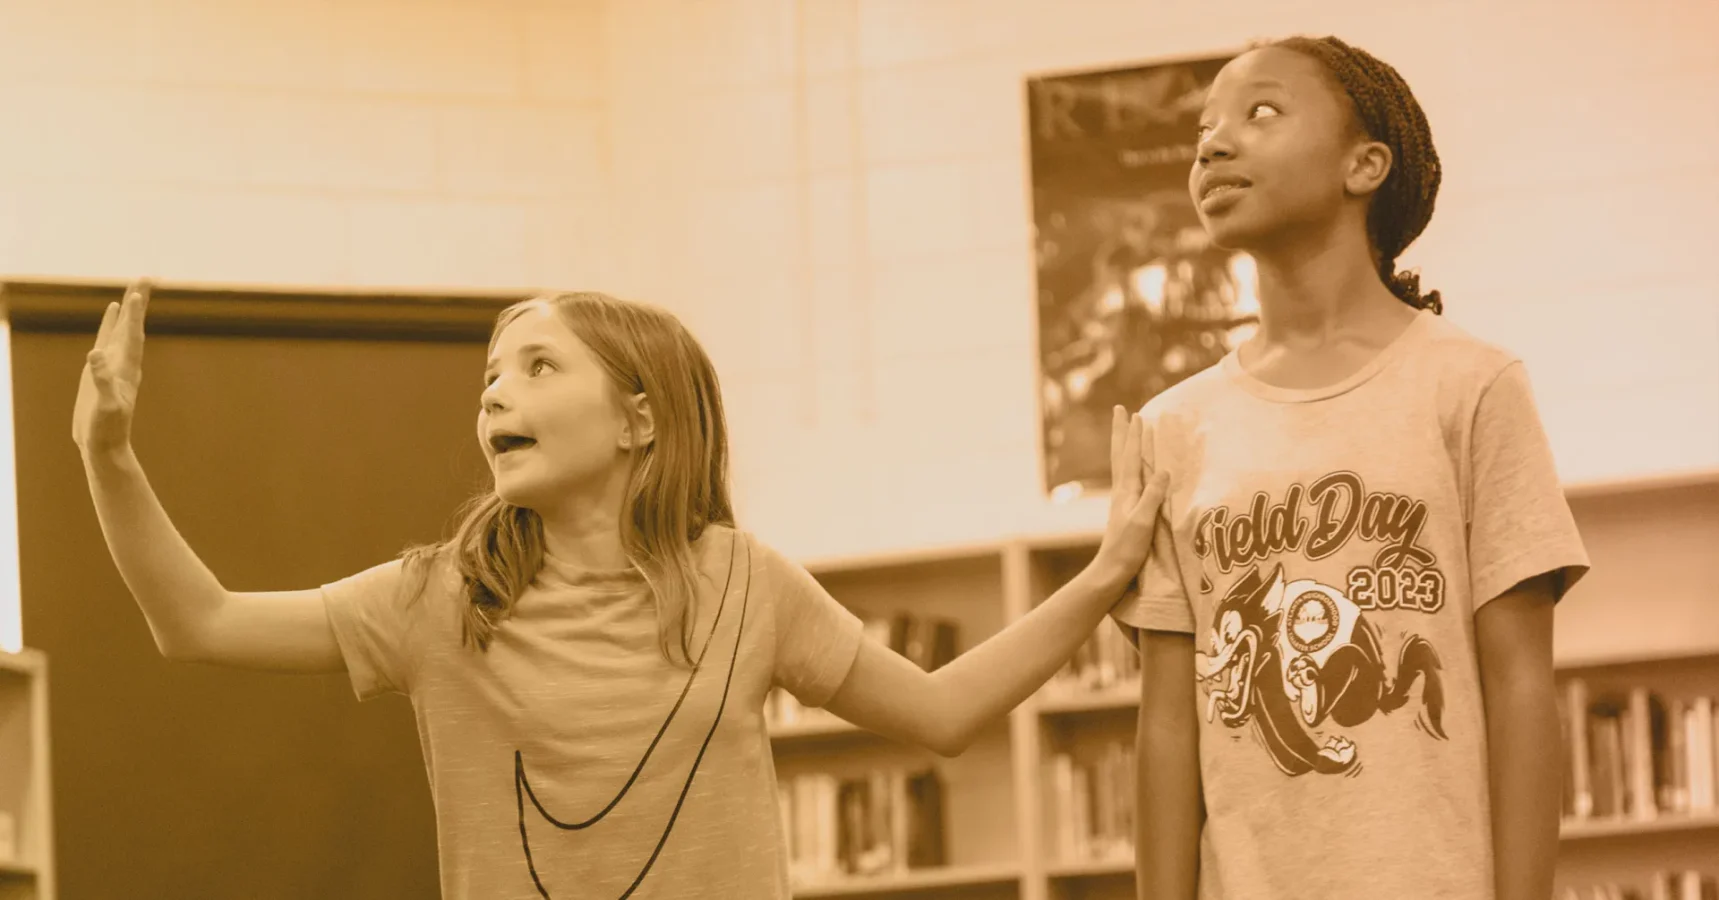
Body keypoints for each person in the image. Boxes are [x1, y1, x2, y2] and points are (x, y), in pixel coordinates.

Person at [73, 282, 1169, 900]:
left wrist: (1107, 573)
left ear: (640, 419)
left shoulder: (747, 584)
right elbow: (197, 622)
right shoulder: (442, 600)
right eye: (491, 376)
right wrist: (110, 455)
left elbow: (943, 714)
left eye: (538, 366)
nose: (498, 392)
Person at [1114, 36, 1589, 900]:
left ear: (1364, 164)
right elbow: (1167, 720)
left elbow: (1520, 682)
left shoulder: (1470, 385)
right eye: (1203, 130)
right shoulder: (1170, 429)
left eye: (1259, 113)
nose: (1212, 145)